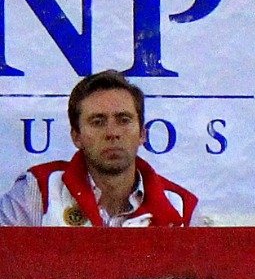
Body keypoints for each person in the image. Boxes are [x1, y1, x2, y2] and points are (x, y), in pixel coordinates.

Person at [0, 71, 200, 227]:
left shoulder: (181, 207)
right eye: (98, 122)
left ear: (142, 134)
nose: (112, 133)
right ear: (76, 136)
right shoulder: (39, 190)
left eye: (124, 120)